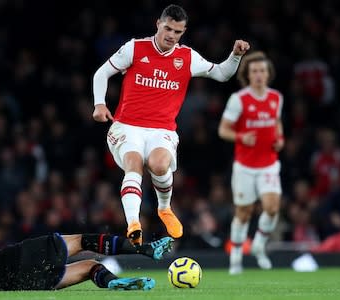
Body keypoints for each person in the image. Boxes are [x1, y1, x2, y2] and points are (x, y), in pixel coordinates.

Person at [92, 4, 250, 245]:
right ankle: (134, 223)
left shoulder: (187, 57)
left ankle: (164, 209)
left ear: (183, 32)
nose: (171, 35)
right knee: (133, 163)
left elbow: (221, 74)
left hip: (162, 129)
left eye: (177, 32)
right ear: (158, 24)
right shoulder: (135, 48)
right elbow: (101, 74)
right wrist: (99, 104)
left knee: (158, 164)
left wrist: (235, 55)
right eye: (167, 28)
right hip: (127, 125)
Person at [0, 187, 174, 291]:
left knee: (89, 268)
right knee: (84, 241)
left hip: (19, 286)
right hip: (18, 259)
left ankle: (118, 283)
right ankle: (147, 249)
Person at [218, 51, 284, 274]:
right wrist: (240, 137)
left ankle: (258, 246)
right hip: (245, 166)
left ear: (268, 74)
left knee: (272, 208)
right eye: (254, 71)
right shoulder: (239, 99)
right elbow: (223, 130)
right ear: (247, 74)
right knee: (243, 212)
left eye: (262, 71)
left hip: (269, 163)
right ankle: (236, 256)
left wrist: (280, 139)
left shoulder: (276, 98)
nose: (259, 75)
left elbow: (276, 123)